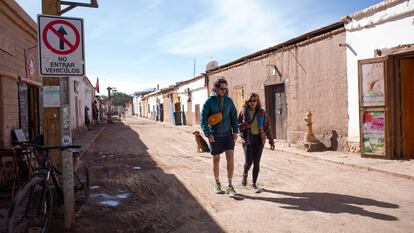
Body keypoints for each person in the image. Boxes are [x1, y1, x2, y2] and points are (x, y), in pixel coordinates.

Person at [201, 77, 239, 196]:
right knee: (216, 160)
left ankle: (230, 185)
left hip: (228, 135)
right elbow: (202, 120)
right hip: (215, 136)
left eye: (225, 89)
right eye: (222, 89)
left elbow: (233, 116)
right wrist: (208, 134)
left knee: (230, 159)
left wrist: (235, 131)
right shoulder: (209, 102)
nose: (224, 91)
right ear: (216, 89)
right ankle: (217, 184)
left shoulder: (229, 101)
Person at [238, 93, 275, 192]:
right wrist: (246, 126)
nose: (252, 103)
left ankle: (254, 183)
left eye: (254, 100)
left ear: (258, 101)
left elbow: (267, 127)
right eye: (250, 101)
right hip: (247, 139)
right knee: (248, 162)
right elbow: (238, 126)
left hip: (259, 139)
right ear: (247, 101)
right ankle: (245, 174)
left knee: (257, 162)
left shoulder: (262, 113)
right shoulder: (243, 112)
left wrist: (271, 141)